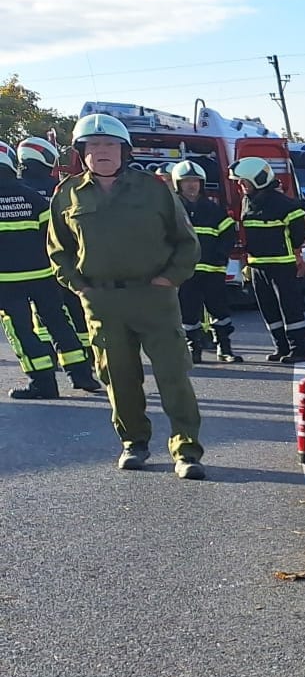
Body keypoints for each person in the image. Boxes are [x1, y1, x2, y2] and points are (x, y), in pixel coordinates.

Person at [47, 112, 206, 478]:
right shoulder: (67, 194)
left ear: (124, 150)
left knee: (173, 375)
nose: (102, 151)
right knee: (118, 377)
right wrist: (81, 286)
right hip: (103, 302)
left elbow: (186, 241)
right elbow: (59, 249)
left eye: (110, 145)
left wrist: (169, 280)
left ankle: (186, 451)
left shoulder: (154, 188)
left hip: (154, 298)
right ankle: (134, 443)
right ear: (82, 152)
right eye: (94, 145)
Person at [0, 143, 101, 400]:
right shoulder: (32, 197)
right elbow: (55, 237)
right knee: (58, 321)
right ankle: (81, 374)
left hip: (6, 282)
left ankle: (43, 382)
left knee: (22, 331)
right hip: (43, 275)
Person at [15, 134, 93, 365]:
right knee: (74, 309)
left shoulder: (16, 188)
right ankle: (86, 354)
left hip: (30, 265)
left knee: (41, 315)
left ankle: (49, 353)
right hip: (64, 260)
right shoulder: (60, 187)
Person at [230, 156, 305, 363]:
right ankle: (281, 348)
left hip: (282, 266)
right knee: (268, 309)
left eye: (243, 181)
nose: (240, 185)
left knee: (290, 308)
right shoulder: (247, 201)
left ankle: (299, 350)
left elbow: (300, 232)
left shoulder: (284, 204)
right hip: (257, 265)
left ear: (257, 179)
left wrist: (290, 251)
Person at [170, 159, 241, 363]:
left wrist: (221, 256)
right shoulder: (172, 210)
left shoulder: (213, 209)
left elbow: (228, 234)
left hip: (213, 270)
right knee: (188, 313)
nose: (192, 185)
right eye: (186, 181)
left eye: (195, 181)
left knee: (220, 311)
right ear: (178, 184)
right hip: (185, 272)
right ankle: (194, 349)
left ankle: (225, 348)